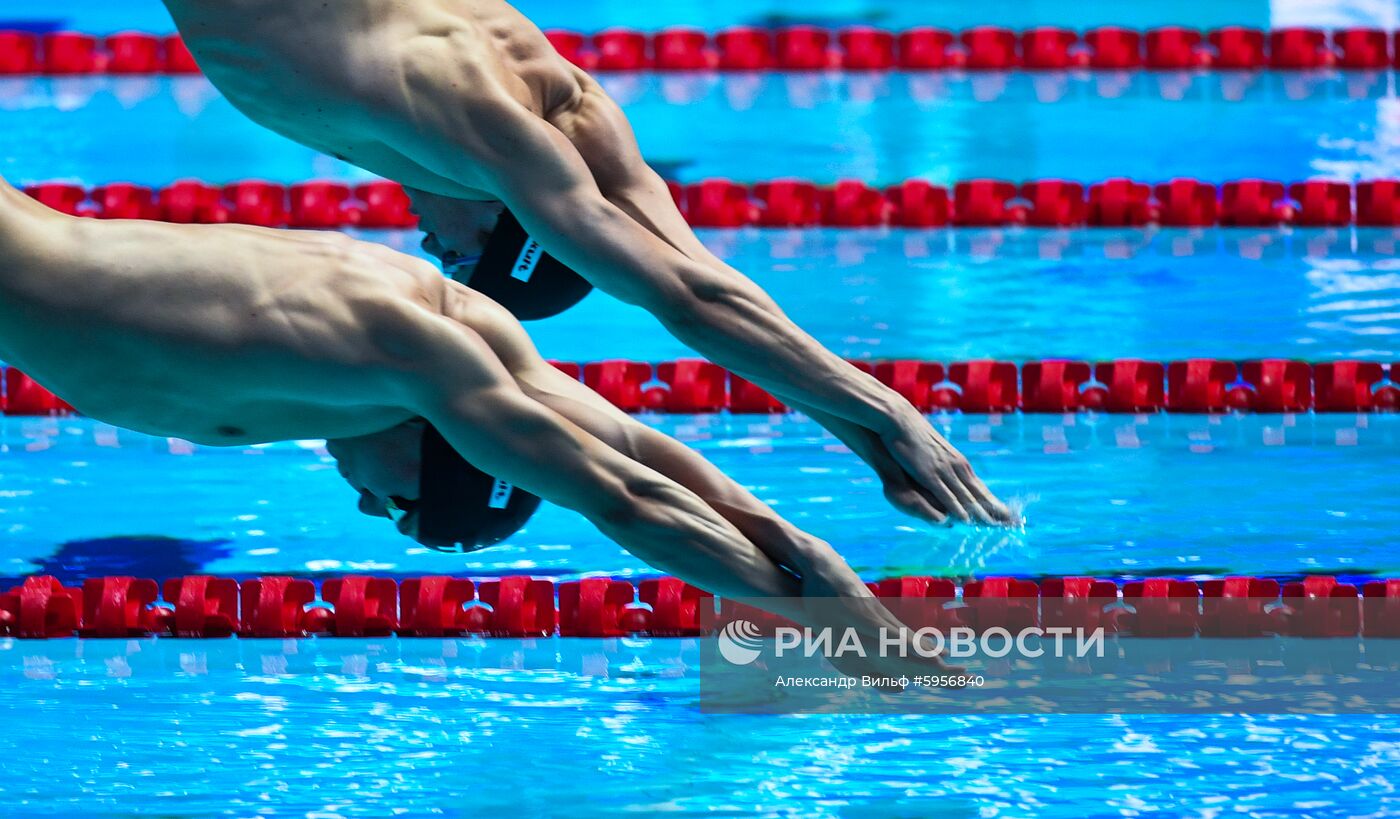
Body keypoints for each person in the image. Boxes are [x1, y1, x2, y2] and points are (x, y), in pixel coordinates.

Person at [0, 177, 960, 680]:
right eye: (402, 506)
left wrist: (795, 544)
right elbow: (619, 495)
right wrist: (838, 623)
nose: (369, 505)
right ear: (450, 442)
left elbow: (628, 444)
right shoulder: (402, 354)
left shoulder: (464, 330)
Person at [158, 0, 1014, 527]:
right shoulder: (475, 120)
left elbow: (699, 272)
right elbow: (684, 294)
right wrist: (890, 413)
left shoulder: (561, 94)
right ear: (510, 214)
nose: (424, 241)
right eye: (453, 250)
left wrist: (863, 436)